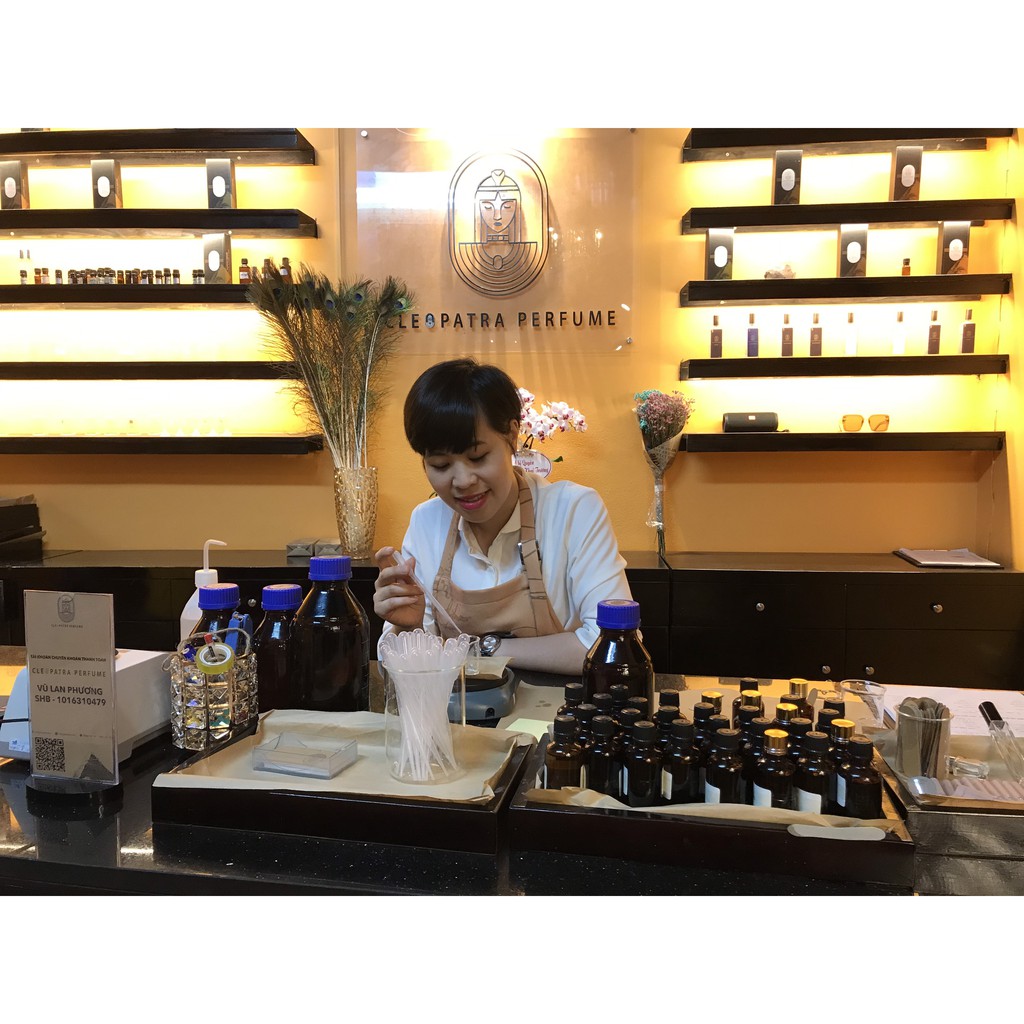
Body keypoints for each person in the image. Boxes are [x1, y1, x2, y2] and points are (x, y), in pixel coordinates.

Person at [373, 358, 633, 676]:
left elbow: (612, 646)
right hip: (459, 708)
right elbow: (399, 658)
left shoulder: (573, 510)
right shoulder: (427, 522)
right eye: (441, 465)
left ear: (512, 434)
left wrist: (481, 649)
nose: (463, 481)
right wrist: (407, 627)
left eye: (478, 457)